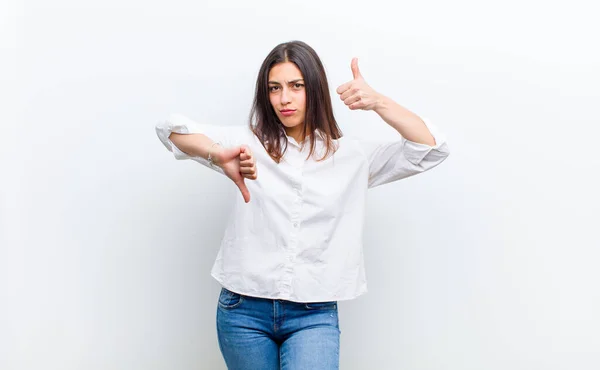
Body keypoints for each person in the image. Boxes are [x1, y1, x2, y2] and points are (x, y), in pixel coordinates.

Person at [155, 40, 450, 370]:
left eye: (296, 86)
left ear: (315, 89)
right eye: (274, 88)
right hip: (242, 311)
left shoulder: (351, 157)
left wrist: (378, 102)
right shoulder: (247, 146)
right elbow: (170, 130)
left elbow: (431, 149)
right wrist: (216, 154)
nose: (284, 99)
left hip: (314, 315)